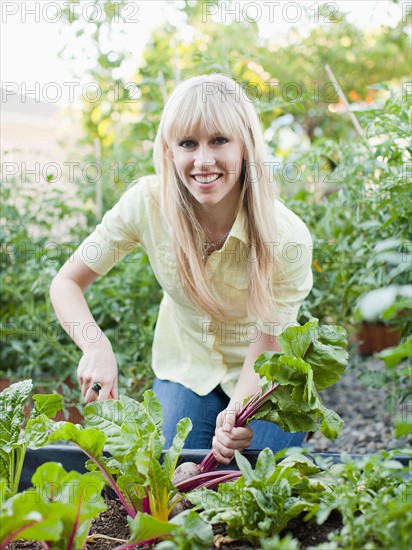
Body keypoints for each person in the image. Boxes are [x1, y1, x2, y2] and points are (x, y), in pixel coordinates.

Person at [50, 73, 313, 465]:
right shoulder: (146, 204)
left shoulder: (286, 237)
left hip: (264, 376)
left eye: (219, 140)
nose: (203, 160)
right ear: (170, 151)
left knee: (250, 479)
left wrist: (235, 416)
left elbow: (268, 347)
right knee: (170, 470)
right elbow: (67, 282)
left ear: (245, 147)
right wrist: (95, 345)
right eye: (189, 143)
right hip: (186, 367)